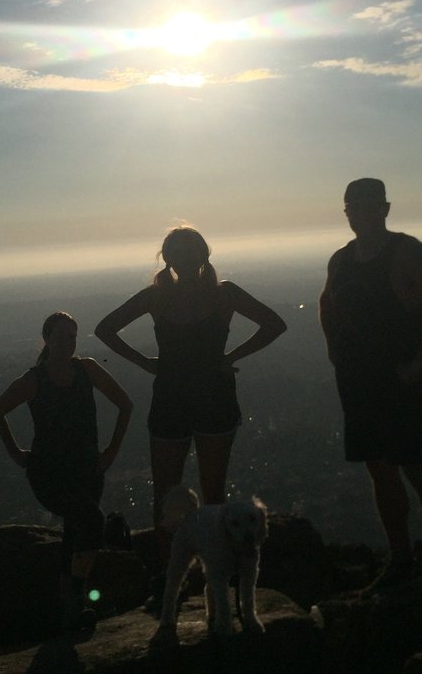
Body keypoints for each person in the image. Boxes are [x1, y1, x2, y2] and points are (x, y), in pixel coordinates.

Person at [318, 179, 422, 622]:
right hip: (359, 385)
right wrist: (333, 349)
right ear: (346, 212)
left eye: (370, 206)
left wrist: (418, 361)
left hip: (401, 386)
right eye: (354, 207)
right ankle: (402, 562)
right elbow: (326, 303)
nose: (362, 213)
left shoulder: (408, 253)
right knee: (380, 471)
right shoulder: (341, 260)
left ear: (385, 209)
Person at [94, 225, 287, 553]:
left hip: (194, 397)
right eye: (177, 252)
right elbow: (105, 329)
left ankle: (203, 567)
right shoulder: (181, 295)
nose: (183, 257)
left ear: (202, 254)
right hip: (190, 397)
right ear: (168, 258)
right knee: (176, 494)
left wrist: (231, 356)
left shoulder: (213, 294)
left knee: (198, 493)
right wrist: (145, 361)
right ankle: (179, 567)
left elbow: (275, 324)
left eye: (189, 250)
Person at [0, 312, 133, 631]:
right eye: (60, 336)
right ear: (46, 339)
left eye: (72, 336)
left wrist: (111, 451)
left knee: (75, 533)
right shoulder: (34, 380)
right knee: (91, 520)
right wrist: (15, 452)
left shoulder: (87, 369)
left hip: (87, 469)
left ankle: (68, 609)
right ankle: (77, 598)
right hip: (50, 474)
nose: (67, 342)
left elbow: (126, 404)